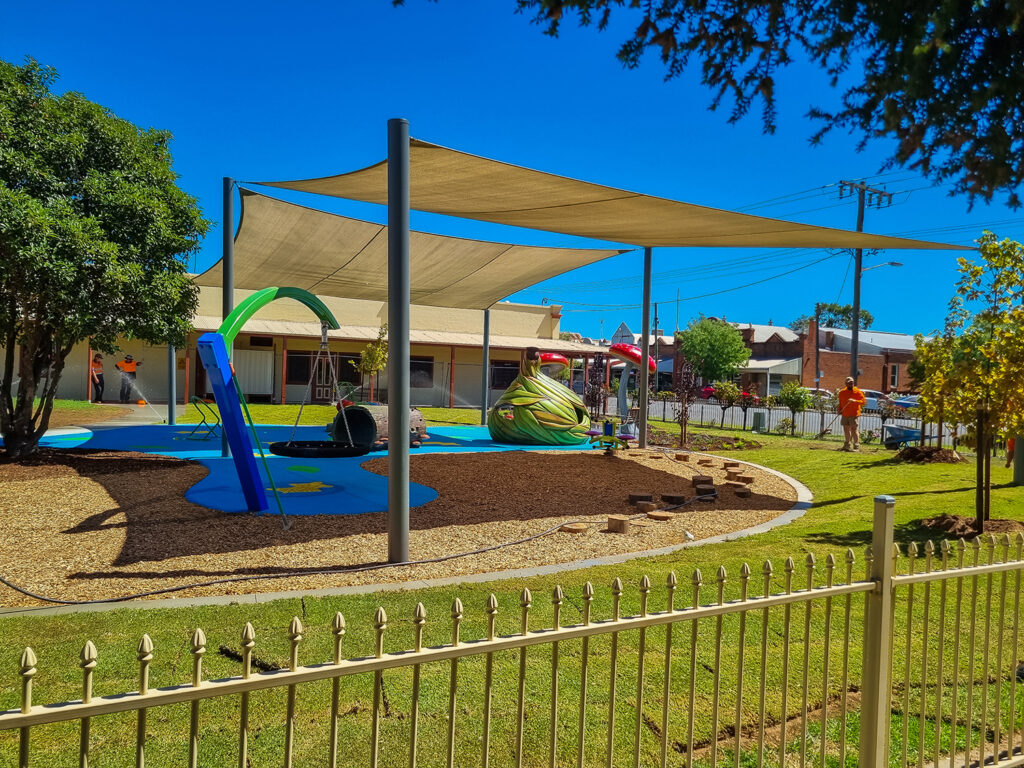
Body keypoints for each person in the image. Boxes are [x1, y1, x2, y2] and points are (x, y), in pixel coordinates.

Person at [837, 376, 867, 451]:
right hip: (845, 414)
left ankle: (856, 446)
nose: (851, 384)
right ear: (846, 384)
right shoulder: (842, 392)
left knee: (854, 429)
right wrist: (839, 410)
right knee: (846, 429)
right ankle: (847, 445)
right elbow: (840, 403)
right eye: (849, 383)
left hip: (854, 414)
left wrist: (855, 401)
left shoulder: (858, 391)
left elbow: (863, 402)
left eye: (852, 383)